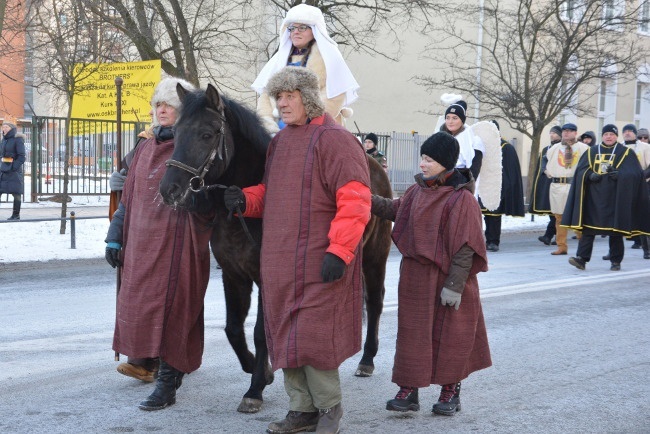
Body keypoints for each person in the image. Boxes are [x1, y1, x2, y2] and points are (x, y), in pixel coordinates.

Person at [224, 67, 371, 434]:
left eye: (290, 96)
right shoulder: (281, 142)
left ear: (308, 97)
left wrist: (340, 251)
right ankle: (301, 410)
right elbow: (272, 192)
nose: (283, 103)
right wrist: (245, 198)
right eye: (278, 97)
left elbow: (354, 200)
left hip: (320, 259)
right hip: (279, 260)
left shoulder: (335, 140)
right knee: (285, 334)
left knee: (314, 336)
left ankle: (328, 410)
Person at [104, 77, 214, 411]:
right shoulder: (144, 146)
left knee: (174, 304)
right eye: (158, 105)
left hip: (178, 239)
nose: (162, 110)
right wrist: (114, 236)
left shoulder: (191, 146)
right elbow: (129, 198)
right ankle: (144, 360)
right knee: (138, 301)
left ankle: (168, 375)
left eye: (169, 105)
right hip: (140, 240)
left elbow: (208, 194)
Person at [370, 131, 491, 416]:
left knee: (451, 335)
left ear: (445, 163)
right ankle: (409, 390)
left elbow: (465, 248)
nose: (422, 164)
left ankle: (450, 391)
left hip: (448, 279)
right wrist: (362, 197)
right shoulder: (416, 191)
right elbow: (393, 209)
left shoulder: (462, 200)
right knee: (413, 334)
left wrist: (454, 286)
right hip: (415, 278)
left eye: (429, 159)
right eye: (422, 158)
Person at [251, 3, 359, 134]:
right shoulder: (279, 59)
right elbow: (267, 96)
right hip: (280, 128)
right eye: (292, 28)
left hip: (318, 129)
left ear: (314, 30)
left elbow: (334, 96)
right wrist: (268, 124)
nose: (296, 32)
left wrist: (308, 121)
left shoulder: (329, 57)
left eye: (302, 27)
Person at [564, 124, 650, 271]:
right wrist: (589, 175)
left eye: (612, 134)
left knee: (615, 231)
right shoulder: (592, 151)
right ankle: (581, 259)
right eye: (606, 134)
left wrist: (621, 175)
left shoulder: (626, 152)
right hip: (593, 198)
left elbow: (637, 175)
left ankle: (615, 261)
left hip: (615, 198)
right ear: (602, 136)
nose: (608, 137)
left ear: (616, 136)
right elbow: (580, 172)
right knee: (588, 230)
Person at [601, 123, 650, 259]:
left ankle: (647, 250)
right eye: (625, 131)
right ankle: (613, 252)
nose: (627, 133)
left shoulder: (645, 147)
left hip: (642, 186)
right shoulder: (618, 148)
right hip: (622, 187)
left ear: (635, 133)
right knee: (616, 219)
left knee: (643, 215)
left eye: (630, 131)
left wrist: (639, 178)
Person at [542, 123, 590, 255]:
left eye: (569, 131)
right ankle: (561, 246)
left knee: (577, 216)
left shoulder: (584, 148)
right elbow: (544, 161)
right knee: (559, 217)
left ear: (575, 133)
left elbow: (589, 165)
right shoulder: (554, 148)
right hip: (557, 185)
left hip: (574, 185)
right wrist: (546, 171)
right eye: (564, 131)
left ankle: (583, 246)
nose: (566, 133)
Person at [480, 121, 525, 252]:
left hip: (498, 186)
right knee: (484, 214)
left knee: (494, 214)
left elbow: (510, 170)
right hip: (484, 185)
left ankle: (493, 241)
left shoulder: (505, 147)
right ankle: (484, 240)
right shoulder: (482, 146)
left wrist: (505, 186)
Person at [531, 125, 562, 245]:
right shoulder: (546, 149)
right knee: (551, 211)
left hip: (559, 182)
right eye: (551, 133)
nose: (552, 135)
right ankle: (555, 235)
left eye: (554, 133)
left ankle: (549, 236)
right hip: (547, 182)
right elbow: (541, 166)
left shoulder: (563, 148)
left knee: (557, 211)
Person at [440, 99, 485, 179]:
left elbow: (474, 171)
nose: (450, 121)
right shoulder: (442, 139)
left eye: (455, 118)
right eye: (448, 118)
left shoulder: (474, 140)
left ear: (462, 120)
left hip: (460, 184)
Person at [0, 122, 25, 220]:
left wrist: (13, 167)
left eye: (6, 127)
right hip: (3, 170)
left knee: (16, 194)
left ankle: (16, 215)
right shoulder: (3, 140)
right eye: (3, 127)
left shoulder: (18, 139)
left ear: (11, 128)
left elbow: (22, 157)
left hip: (14, 171)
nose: (4, 129)